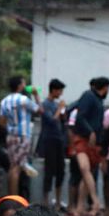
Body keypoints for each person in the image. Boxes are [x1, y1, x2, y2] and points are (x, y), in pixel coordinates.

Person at [68, 77, 109, 216]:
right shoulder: (88, 95)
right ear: (104, 87)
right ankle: (95, 200)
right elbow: (80, 116)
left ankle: (80, 207)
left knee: (87, 175)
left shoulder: (99, 100)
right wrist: (90, 131)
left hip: (94, 142)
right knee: (84, 168)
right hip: (82, 138)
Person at [0, 75, 41, 197]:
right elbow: (40, 110)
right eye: (23, 83)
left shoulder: (4, 101)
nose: (25, 85)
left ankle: (11, 196)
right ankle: (15, 199)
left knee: (13, 166)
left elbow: (2, 122)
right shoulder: (23, 100)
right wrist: (36, 94)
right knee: (16, 168)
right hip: (23, 136)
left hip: (11, 136)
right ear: (19, 86)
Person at [37, 79, 68, 209]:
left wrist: (63, 112)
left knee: (60, 170)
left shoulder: (56, 104)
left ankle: (58, 200)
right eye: (59, 90)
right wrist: (59, 109)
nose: (60, 93)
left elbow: (61, 120)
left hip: (59, 139)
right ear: (54, 90)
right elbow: (51, 120)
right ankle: (45, 201)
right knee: (49, 170)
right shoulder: (45, 104)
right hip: (49, 140)